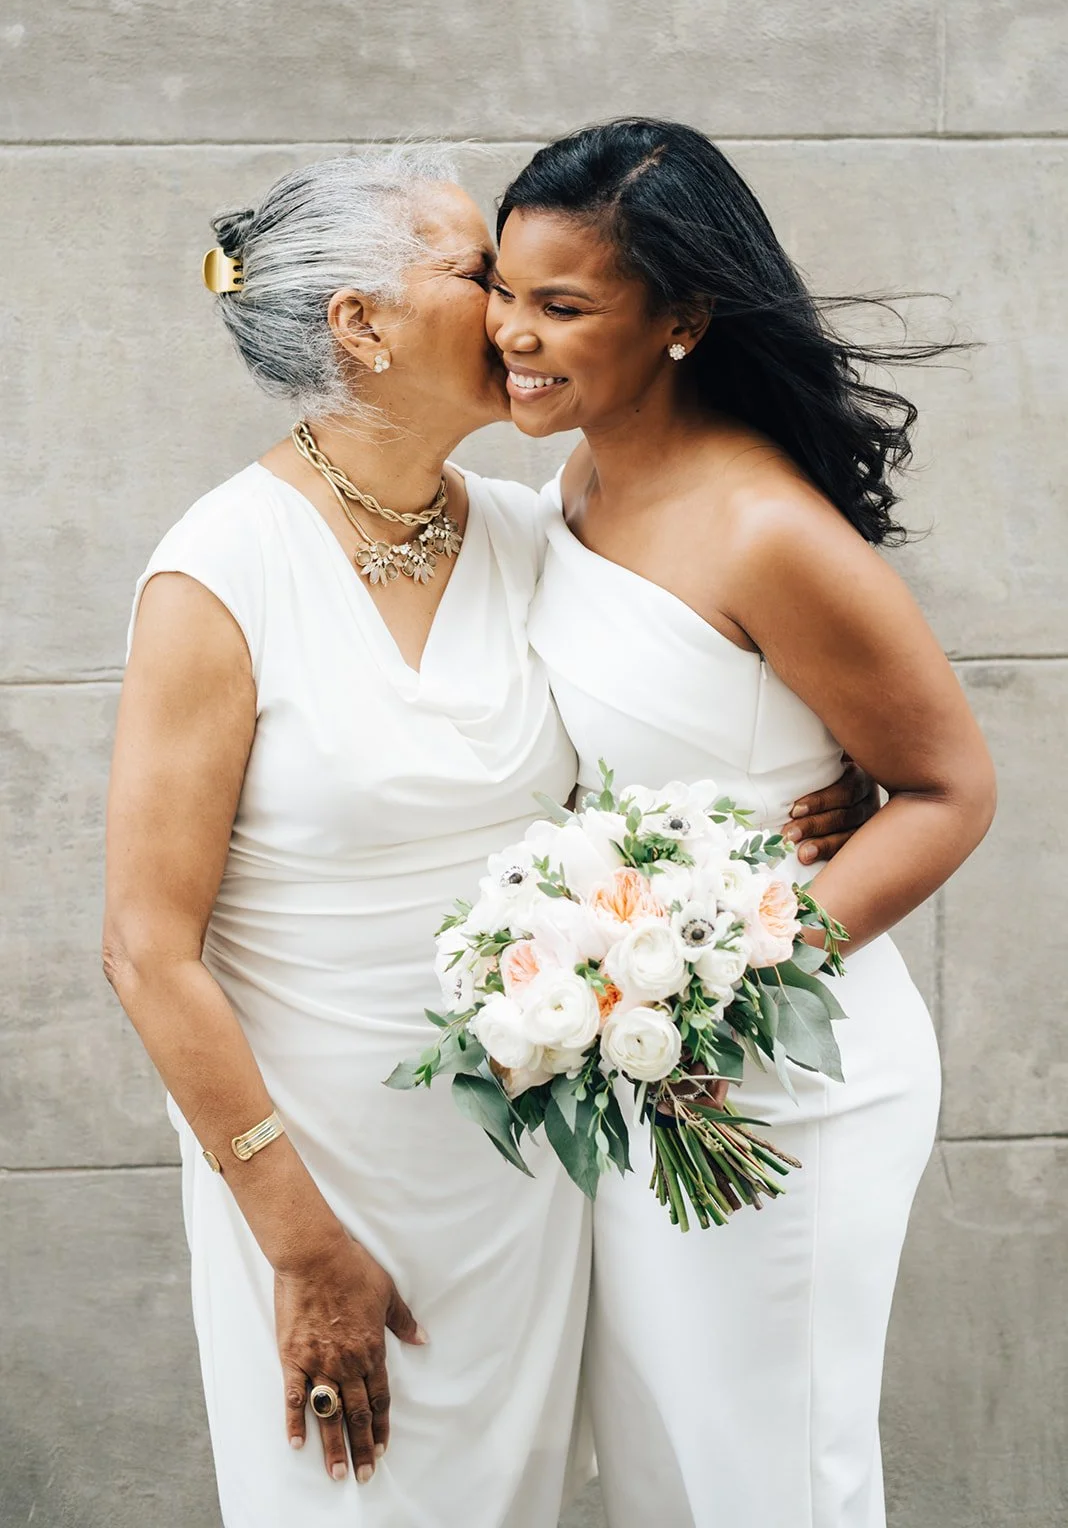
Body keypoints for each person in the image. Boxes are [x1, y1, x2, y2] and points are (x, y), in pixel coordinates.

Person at [103, 145, 876, 1528]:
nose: (514, 311)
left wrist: (832, 784)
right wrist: (302, 1245)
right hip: (323, 1183)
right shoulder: (220, 571)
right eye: (478, 275)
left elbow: (689, 707)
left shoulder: (531, 534)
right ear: (361, 324)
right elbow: (145, 951)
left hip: (530, 1178)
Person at [487, 118, 996, 1528]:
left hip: (785, 1077)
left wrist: (729, 981)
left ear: (684, 319)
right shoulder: (574, 482)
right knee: (664, 1466)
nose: (510, 334)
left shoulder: (769, 532)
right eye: (506, 290)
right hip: (639, 1069)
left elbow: (952, 791)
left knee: (773, 1476)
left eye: (562, 306)